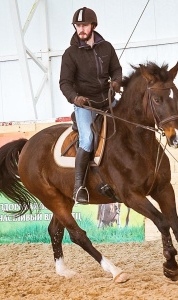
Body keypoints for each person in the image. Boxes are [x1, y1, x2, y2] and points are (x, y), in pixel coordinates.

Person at [59, 7, 122, 204]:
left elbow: (116, 70)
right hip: (85, 105)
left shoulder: (107, 48)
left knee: (127, 124)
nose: (81, 29)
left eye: (84, 25)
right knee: (87, 139)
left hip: (108, 100)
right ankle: (80, 188)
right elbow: (64, 83)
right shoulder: (70, 54)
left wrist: (116, 82)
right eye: (78, 26)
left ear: (93, 26)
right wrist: (74, 98)